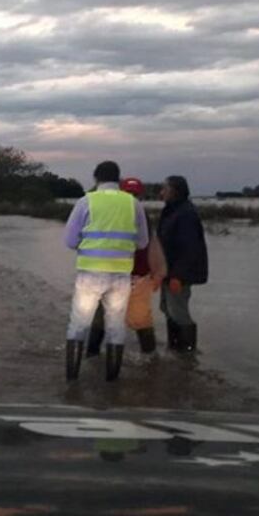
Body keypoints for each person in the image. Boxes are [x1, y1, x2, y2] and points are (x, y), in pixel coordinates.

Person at [63, 161, 149, 381]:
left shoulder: (86, 202)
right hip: (121, 275)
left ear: (96, 178)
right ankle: (112, 383)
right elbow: (142, 243)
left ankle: (72, 381)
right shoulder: (133, 204)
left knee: (79, 325)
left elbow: (70, 240)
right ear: (118, 180)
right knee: (115, 327)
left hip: (90, 274)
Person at [86, 177, 167, 355]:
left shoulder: (141, 216)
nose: (132, 197)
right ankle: (92, 356)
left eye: (135, 194)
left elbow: (152, 245)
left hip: (137, 276)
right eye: (128, 193)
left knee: (141, 319)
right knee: (100, 319)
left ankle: (150, 360)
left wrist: (158, 272)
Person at [157, 175, 208, 352]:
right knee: (167, 309)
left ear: (174, 191)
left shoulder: (186, 213)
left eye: (165, 188)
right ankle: (174, 349)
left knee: (178, 312)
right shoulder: (172, 210)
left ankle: (187, 354)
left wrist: (178, 276)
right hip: (167, 271)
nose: (161, 192)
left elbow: (190, 248)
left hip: (178, 274)